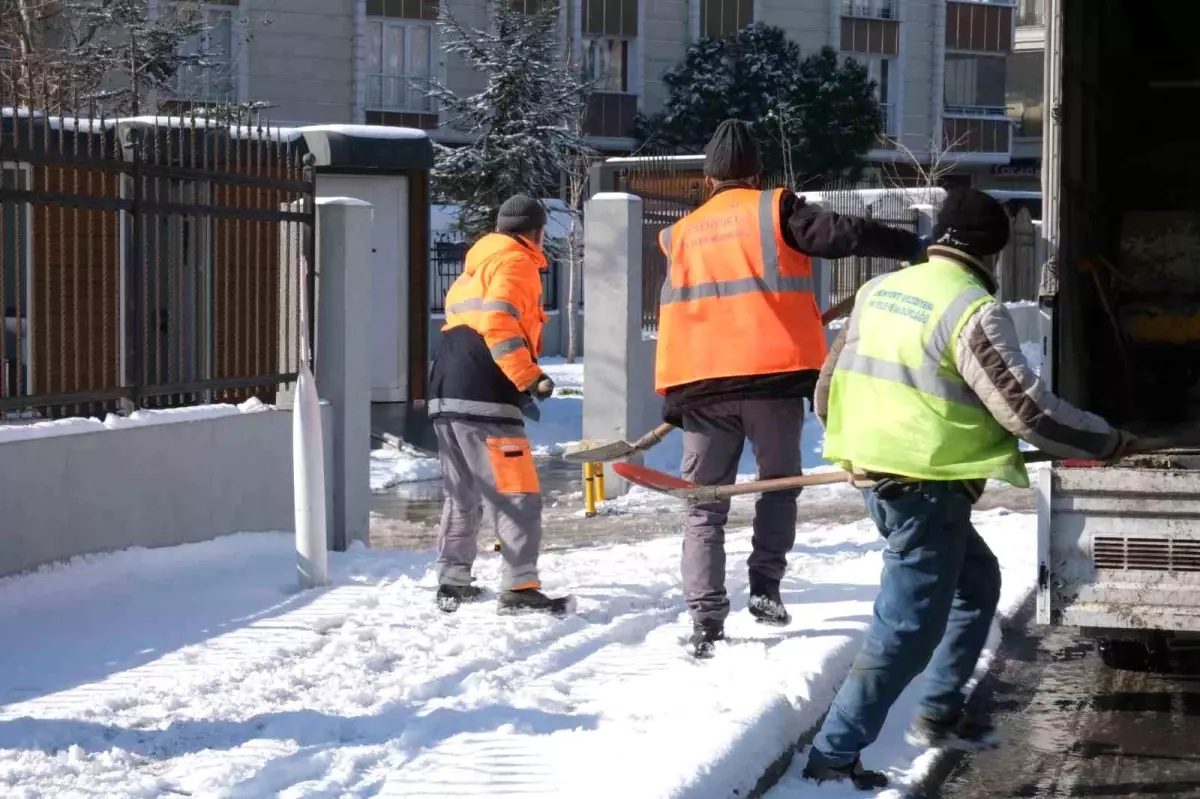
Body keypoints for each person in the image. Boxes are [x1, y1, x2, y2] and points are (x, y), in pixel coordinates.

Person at [801, 187, 1135, 789]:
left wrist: (857, 446)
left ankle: (938, 711)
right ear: (993, 253)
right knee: (905, 628)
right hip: (923, 487)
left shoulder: (878, 292)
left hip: (884, 478)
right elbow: (1029, 412)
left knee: (976, 585)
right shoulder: (970, 308)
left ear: (937, 239)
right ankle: (832, 753)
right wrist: (1106, 441)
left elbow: (828, 389)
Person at [654, 119, 927, 658]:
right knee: (778, 485)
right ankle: (765, 588)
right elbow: (840, 234)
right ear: (757, 174)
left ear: (708, 181)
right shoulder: (773, 209)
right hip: (770, 379)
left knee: (704, 507)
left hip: (699, 385)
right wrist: (910, 245)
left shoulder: (679, 233)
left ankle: (705, 619)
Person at [427, 194, 571, 617]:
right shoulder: (516, 262)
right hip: (485, 390)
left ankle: (453, 581)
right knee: (517, 491)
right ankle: (520, 586)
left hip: (446, 388)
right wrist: (529, 377)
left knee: (462, 493)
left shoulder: (473, 270)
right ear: (537, 232)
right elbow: (498, 325)